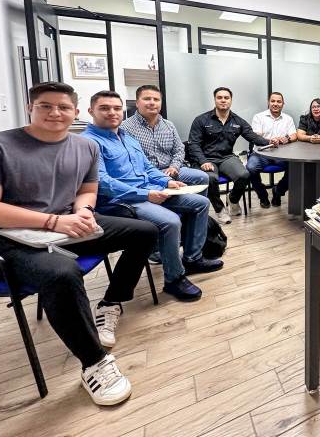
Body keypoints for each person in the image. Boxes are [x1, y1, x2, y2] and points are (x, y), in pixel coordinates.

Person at [0, 81, 159, 406]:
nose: (55, 113)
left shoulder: (84, 147)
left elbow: (87, 189)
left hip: (62, 224)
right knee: (63, 272)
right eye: (45, 106)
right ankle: (95, 362)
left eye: (64, 107)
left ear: (75, 112)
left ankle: (110, 303)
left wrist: (83, 212)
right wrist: (55, 221)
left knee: (144, 231)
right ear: (29, 108)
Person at [83, 91, 221, 303]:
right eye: (104, 108)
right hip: (123, 201)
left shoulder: (126, 137)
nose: (112, 113)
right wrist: (146, 194)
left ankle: (193, 258)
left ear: (123, 110)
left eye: (117, 108)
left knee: (201, 203)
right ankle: (174, 279)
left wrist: (166, 182)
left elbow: (147, 167)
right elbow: (103, 183)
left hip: (148, 190)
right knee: (170, 221)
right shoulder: (89, 142)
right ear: (91, 111)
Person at [122, 84, 209, 263]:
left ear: (161, 103)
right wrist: (162, 176)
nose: (152, 103)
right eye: (147, 99)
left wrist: (175, 167)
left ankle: (190, 226)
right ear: (137, 102)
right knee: (168, 195)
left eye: (156, 99)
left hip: (172, 169)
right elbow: (135, 163)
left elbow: (179, 150)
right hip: (149, 174)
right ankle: (163, 237)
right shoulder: (126, 128)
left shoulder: (168, 125)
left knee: (201, 177)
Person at [188, 87, 270, 224]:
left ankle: (232, 200)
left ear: (231, 100)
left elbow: (252, 137)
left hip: (226, 157)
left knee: (244, 174)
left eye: (226, 98)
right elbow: (193, 144)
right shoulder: (201, 120)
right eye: (219, 97)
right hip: (207, 159)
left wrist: (270, 142)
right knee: (211, 178)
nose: (223, 100)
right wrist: (202, 161)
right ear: (215, 100)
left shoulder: (238, 121)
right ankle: (220, 210)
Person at [247, 92, 297, 208]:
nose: (275, 104)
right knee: (250, 168)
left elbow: (294, 135)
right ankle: (262, 195)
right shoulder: (259, 117)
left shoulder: (288, 119)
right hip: (261, 153)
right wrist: (270, 140)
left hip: (282, 155)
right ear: (268, 103)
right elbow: (256, 136)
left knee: (296, 168)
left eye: (279, 101)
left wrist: (286, 139)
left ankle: (278, 191)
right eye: (273, 101)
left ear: (283, 104)